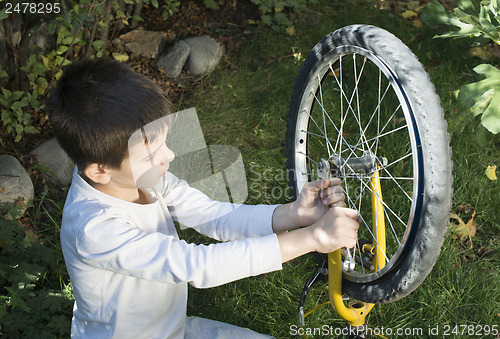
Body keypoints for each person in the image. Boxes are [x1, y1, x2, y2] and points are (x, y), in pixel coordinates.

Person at [47, 58, 360, 339]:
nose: (168, 156)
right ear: (100, 171)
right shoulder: (94, 229)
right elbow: (197, 265)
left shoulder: (143, 176)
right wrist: (313, 238)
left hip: (172, 330)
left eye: (165, 143)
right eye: (152, 154)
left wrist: (292, 215)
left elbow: (213, 215)